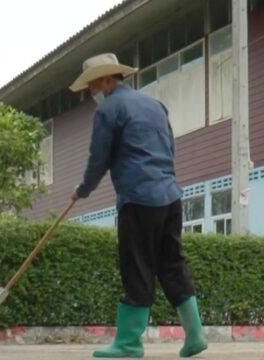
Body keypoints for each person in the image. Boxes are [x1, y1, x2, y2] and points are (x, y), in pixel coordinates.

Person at [69, 53, 207, 358]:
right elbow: (170, 147)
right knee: (172, 263)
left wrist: (83, 190)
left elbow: (99, 158)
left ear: (107, 80)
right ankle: (195, 335)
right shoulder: (155, 105)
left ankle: (129, 344)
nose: (92, 94)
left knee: (137, 267)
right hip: (170, 196)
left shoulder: (110, 110)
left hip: (139, 199)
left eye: (92, 87)